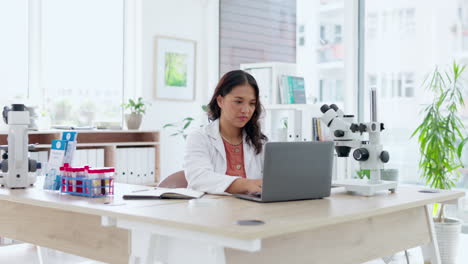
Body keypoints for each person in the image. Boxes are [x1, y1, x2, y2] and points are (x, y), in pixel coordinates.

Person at [183, 70, 267, 194]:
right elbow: (198, 178)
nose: (246, 110)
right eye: (238, 102)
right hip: (211, 211)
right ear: (220, 101)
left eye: (252, 103)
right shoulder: (200, 137)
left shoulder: (260, 141)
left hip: (252, 211)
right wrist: (246, 184)